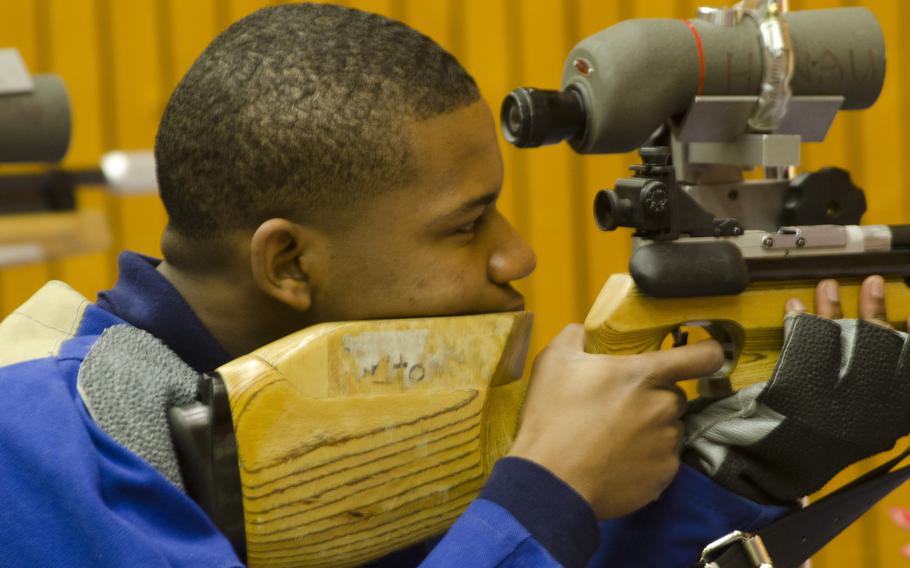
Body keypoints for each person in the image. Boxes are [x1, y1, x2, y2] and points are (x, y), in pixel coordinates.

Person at [0, 4, 905, 568]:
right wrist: (549, 486)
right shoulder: (40, 443)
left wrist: (733, 477)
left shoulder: (357, 430)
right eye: (467, 225)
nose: (517, 258)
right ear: (288, 265)